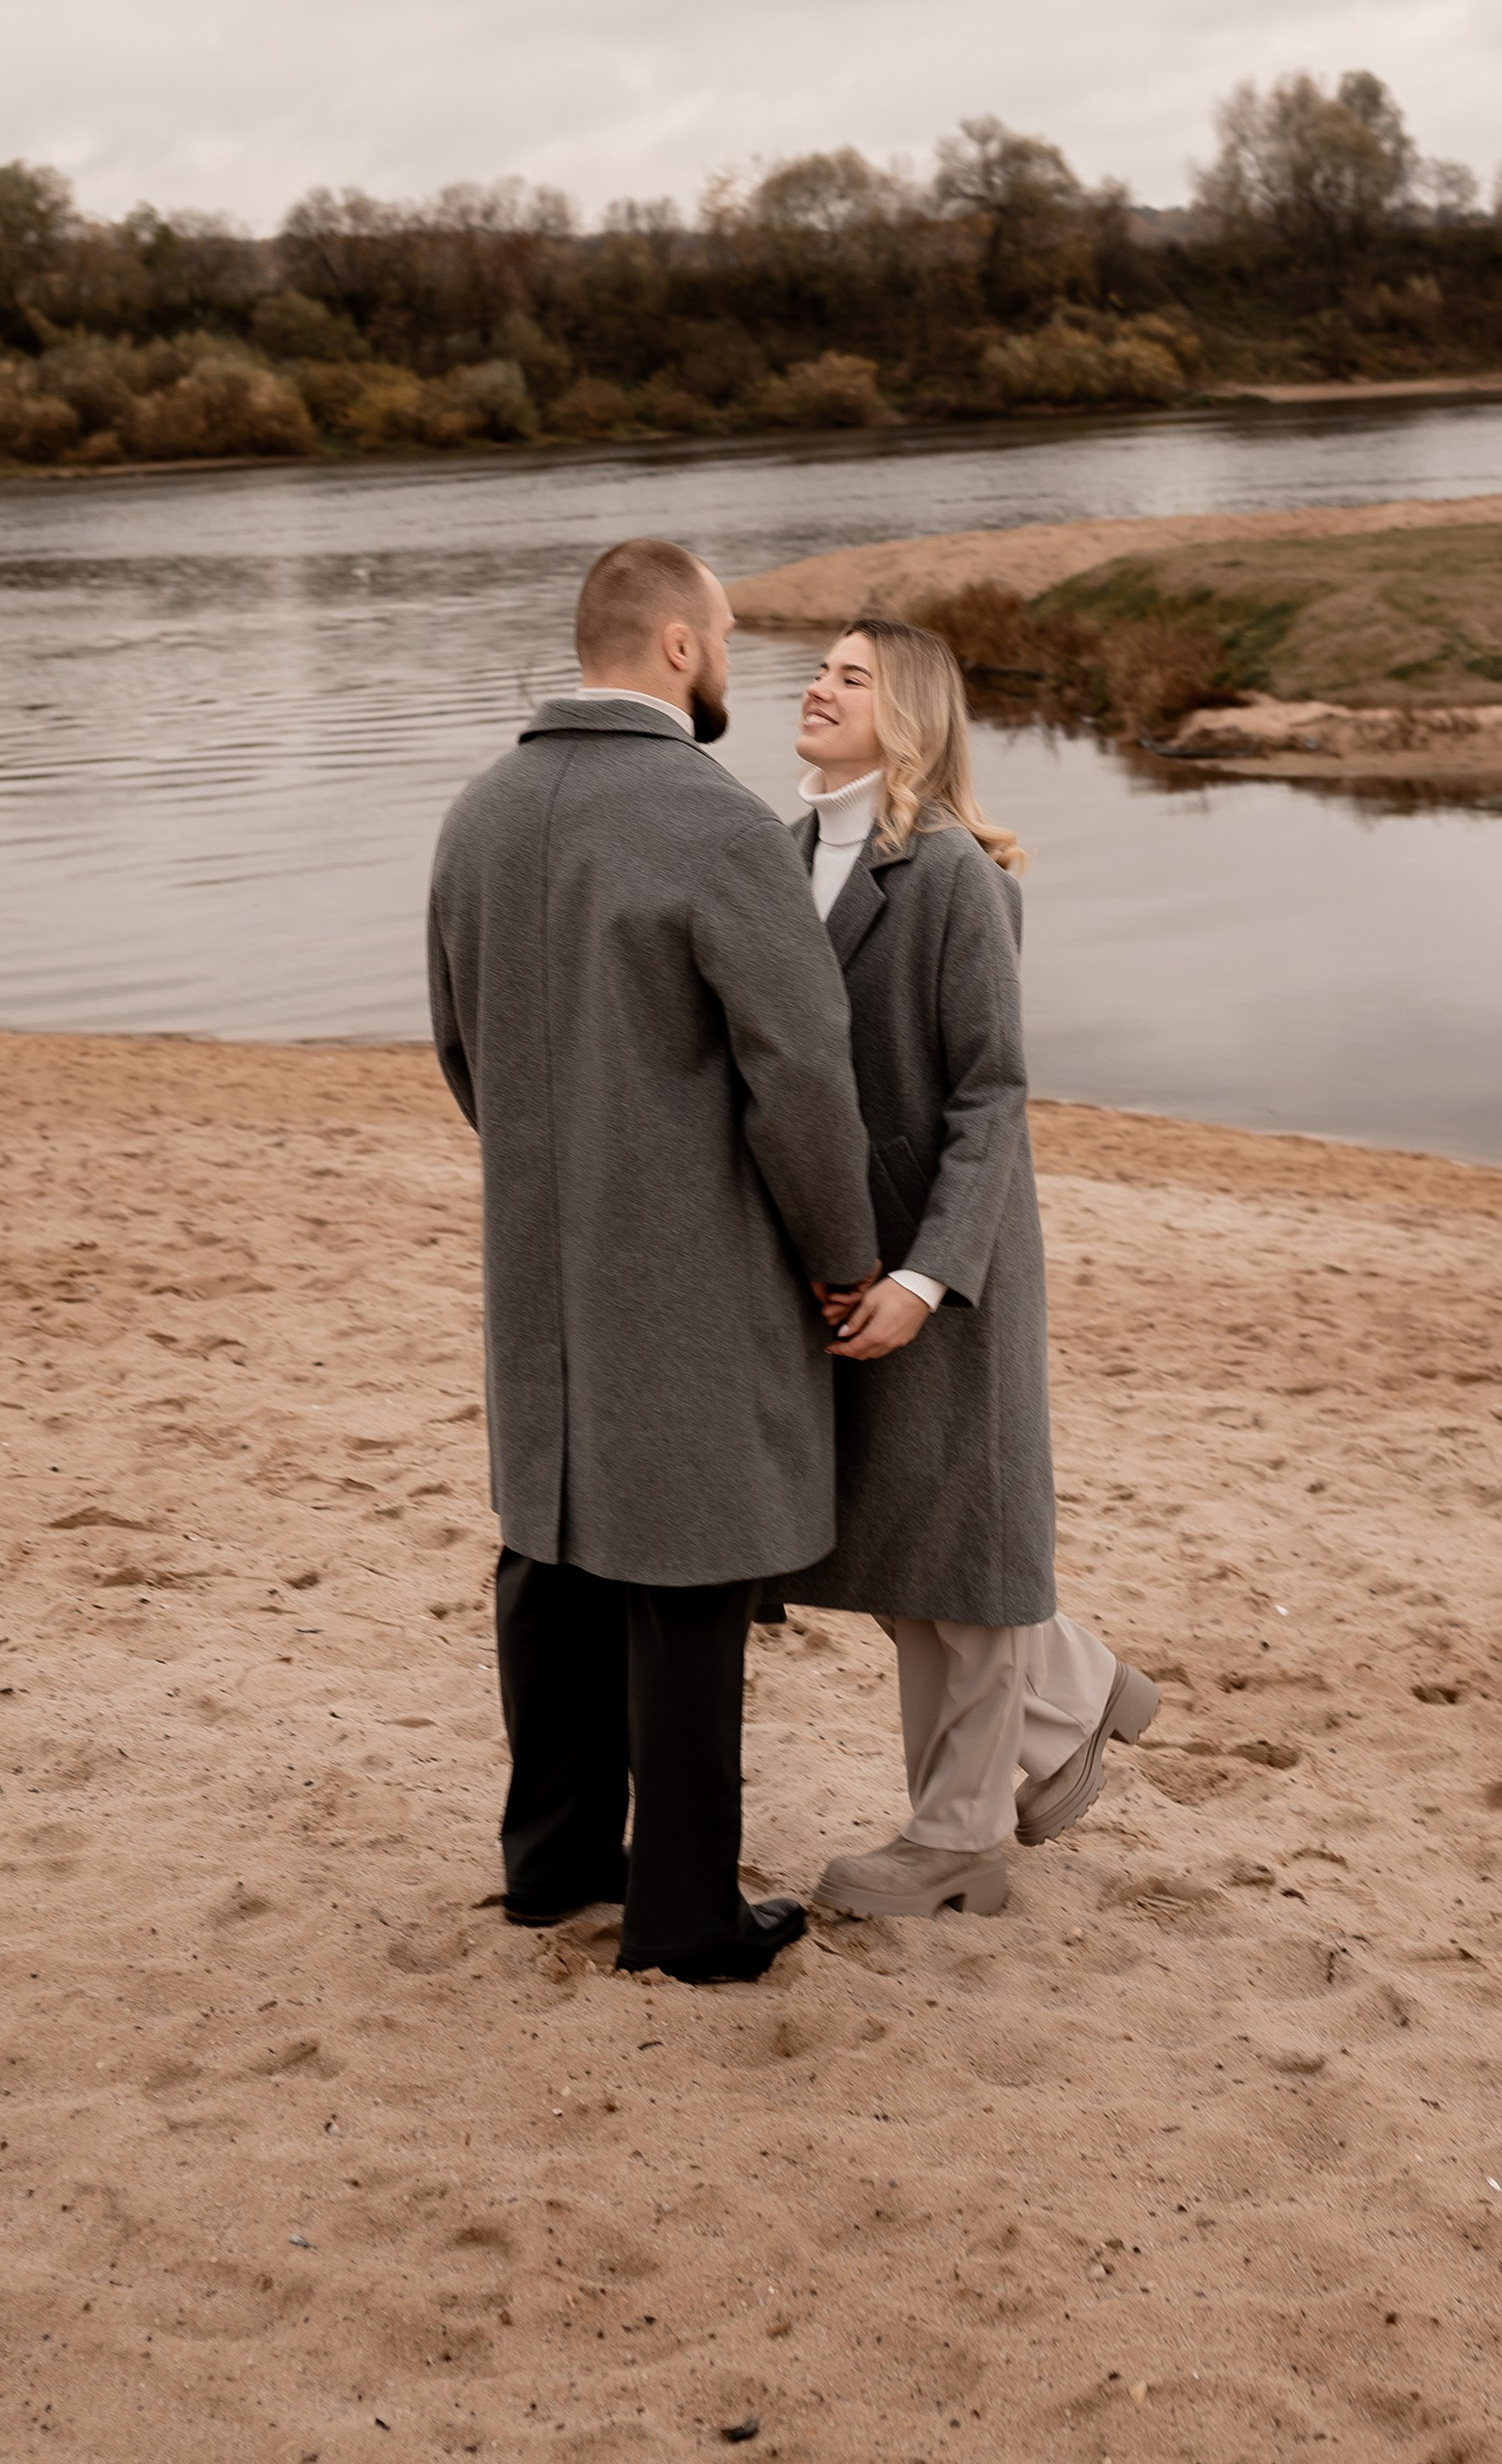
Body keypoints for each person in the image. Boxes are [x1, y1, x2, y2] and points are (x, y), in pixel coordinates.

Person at [427, 535, 880, 1984]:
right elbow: (802, 1081)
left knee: (549, 1551)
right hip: (689, 1272)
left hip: (538, 1265)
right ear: (678, 645)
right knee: (686, 1574)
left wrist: (554, 1176)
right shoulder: (718, 825)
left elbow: (460, 1048)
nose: (733, 659)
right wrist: (844, 1253)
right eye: (727, 635)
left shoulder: (479, 815)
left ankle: (554, 1863)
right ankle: (685, 1918)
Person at [785, 613, 1159, 1917]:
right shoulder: (778, 857)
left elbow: (992, 1095)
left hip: (947, 1262)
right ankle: (1075, 1692)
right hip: (832, 1261)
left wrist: (926, 1276)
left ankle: (958, 1839)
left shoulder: (953, 877)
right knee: (905, 1543)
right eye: (818, 669)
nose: (818, 687)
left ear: (908, 715)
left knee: (959, 1545)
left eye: (851, 677)